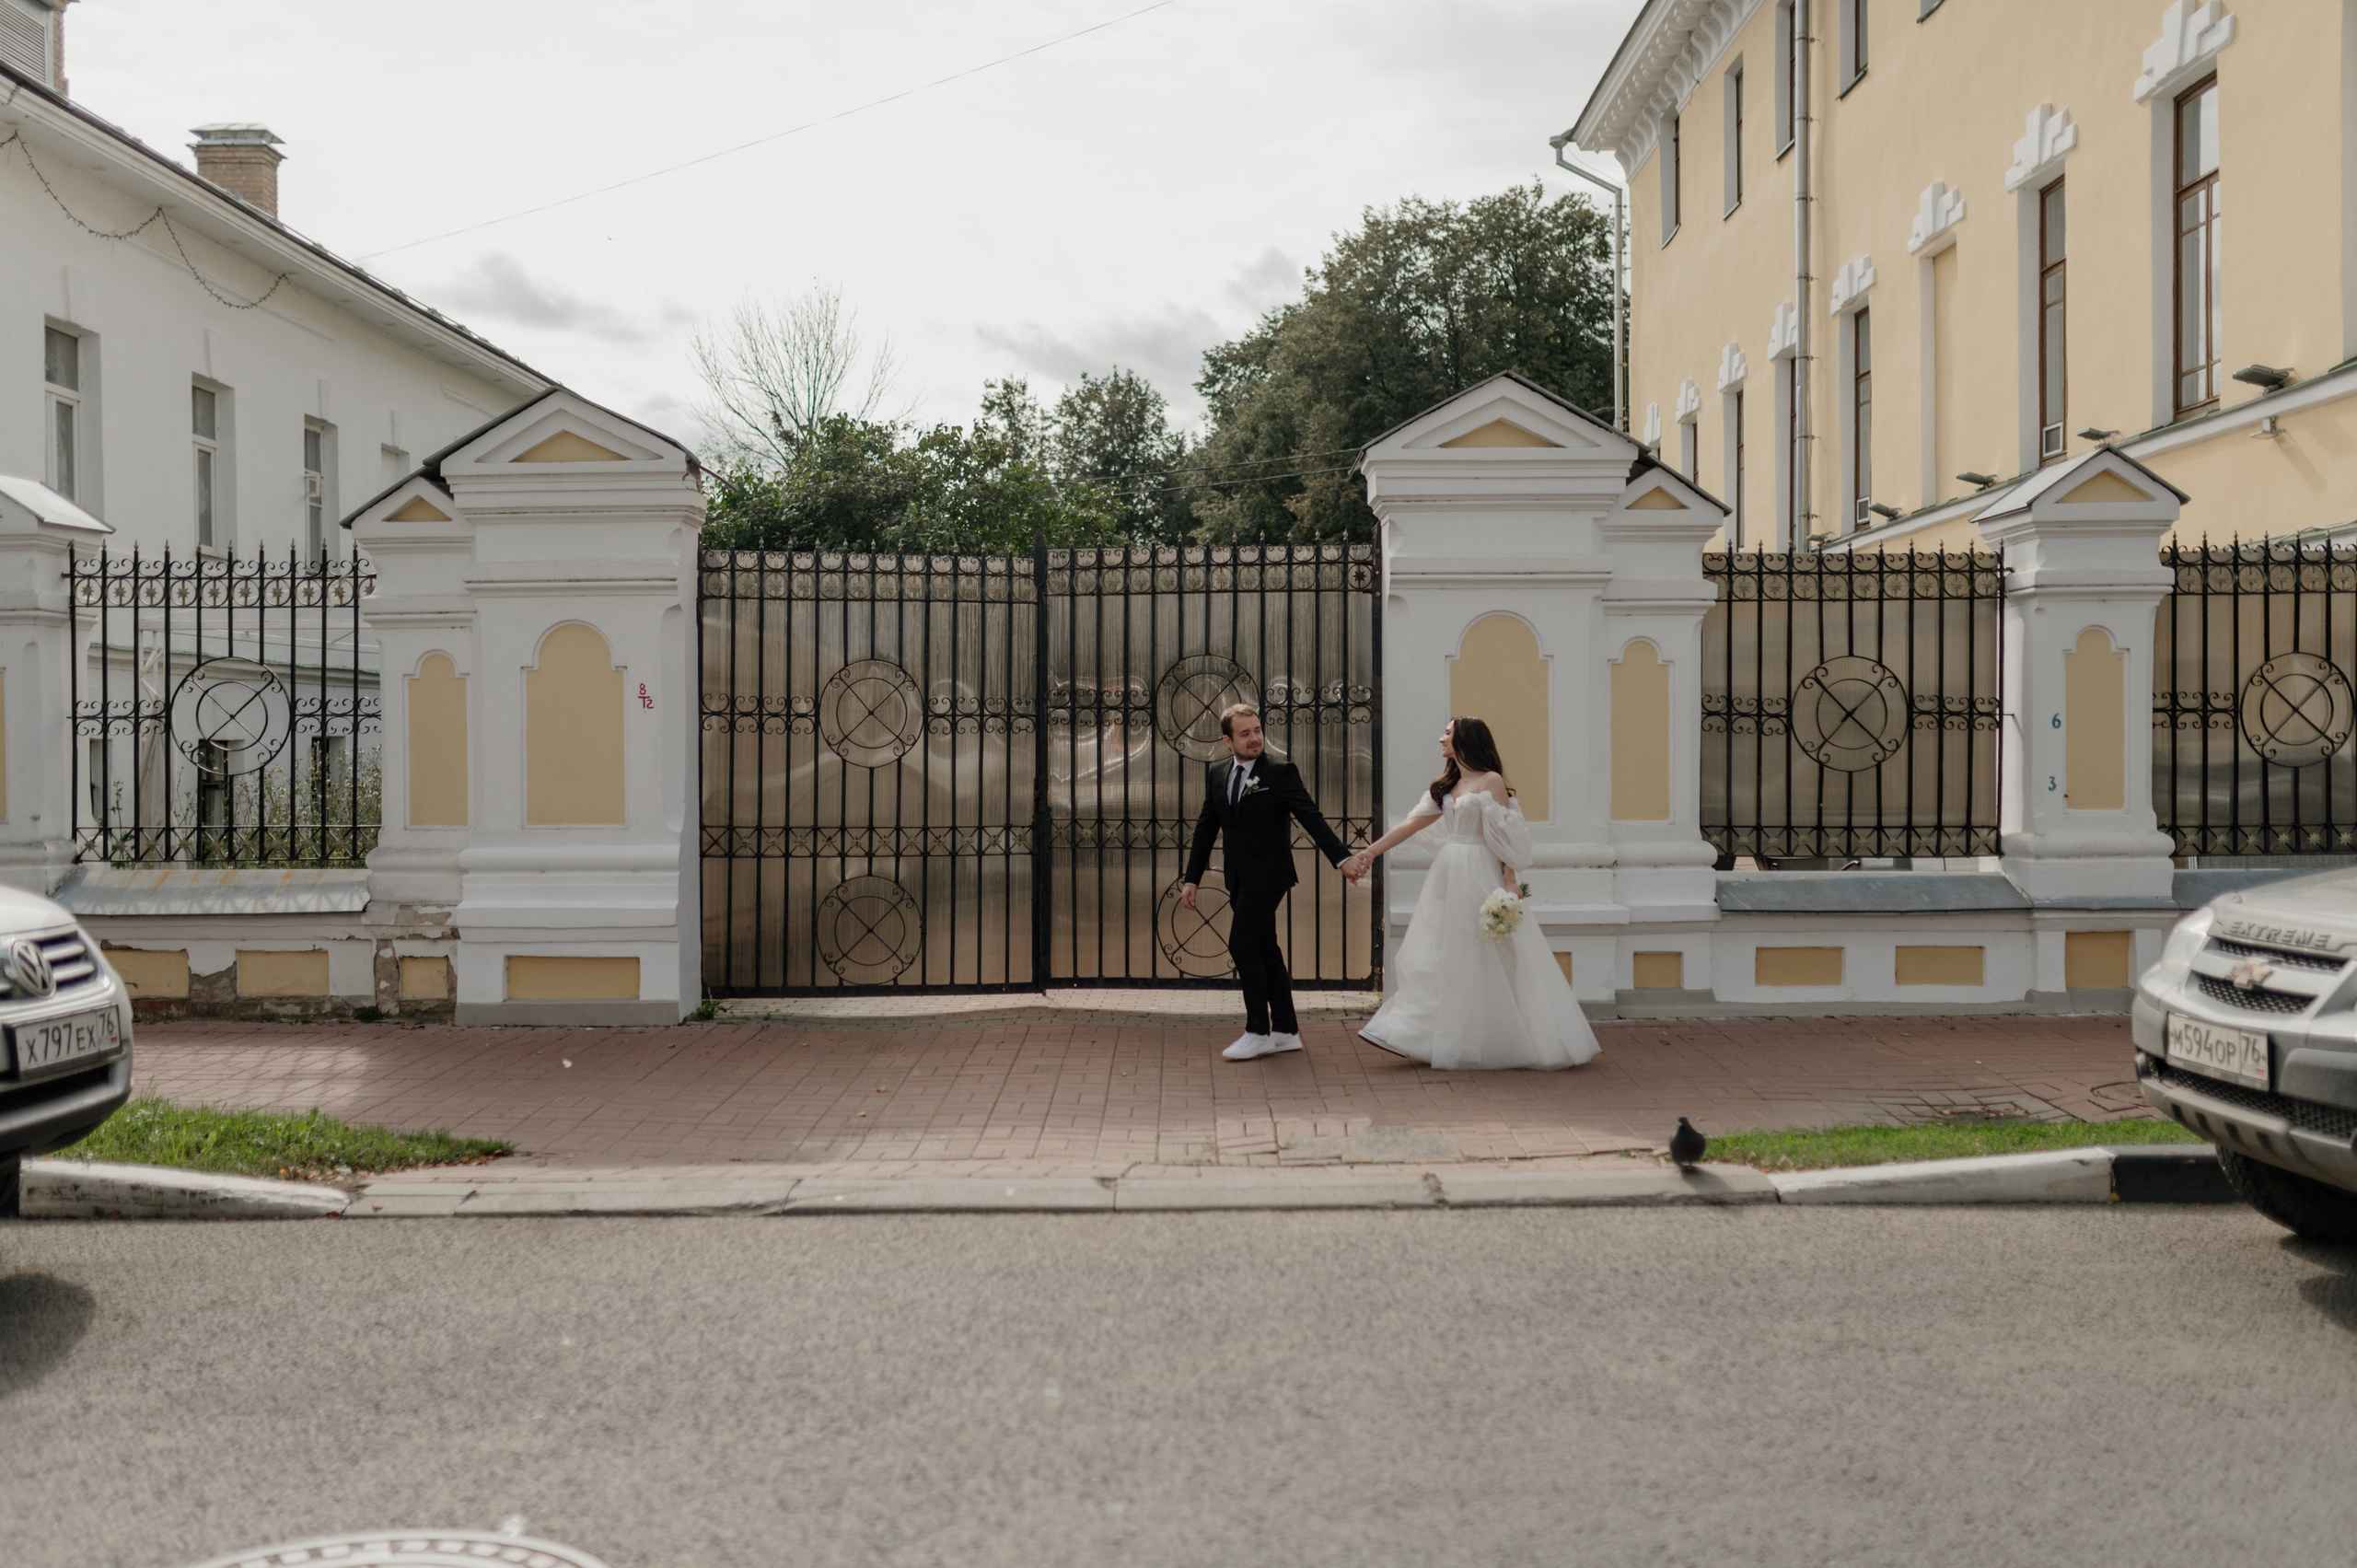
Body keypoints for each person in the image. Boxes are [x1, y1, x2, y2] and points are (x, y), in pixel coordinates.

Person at [1341, 716, 1599, 1071]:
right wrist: (1369, 853)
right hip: (1448, 873)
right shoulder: (1446, 785)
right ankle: (1414, 1032)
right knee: (1440, 953)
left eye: (1447, 734)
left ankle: (1505, 1036)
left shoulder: (1491, 781)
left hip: (1479, 871)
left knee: (1488, 953)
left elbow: (1505, 835)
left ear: (1465, 739)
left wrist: (1510, 882)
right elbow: (1409, 825)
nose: (1440, 739)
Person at [1180, 702, 1359, 1062]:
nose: (1255, 738)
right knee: (1265, 948)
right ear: (1227, 740)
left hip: (1270, 874)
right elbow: (1206, 828)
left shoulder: (1279, 771)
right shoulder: (1217, 775)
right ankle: (1287, 1030)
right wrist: (1192, 878)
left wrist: (1342, 858)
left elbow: (1310, 816)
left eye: (1257, 730)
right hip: (1238, 877)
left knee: (1242, 944)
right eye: (1245, 733)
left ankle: (1258, 1030)